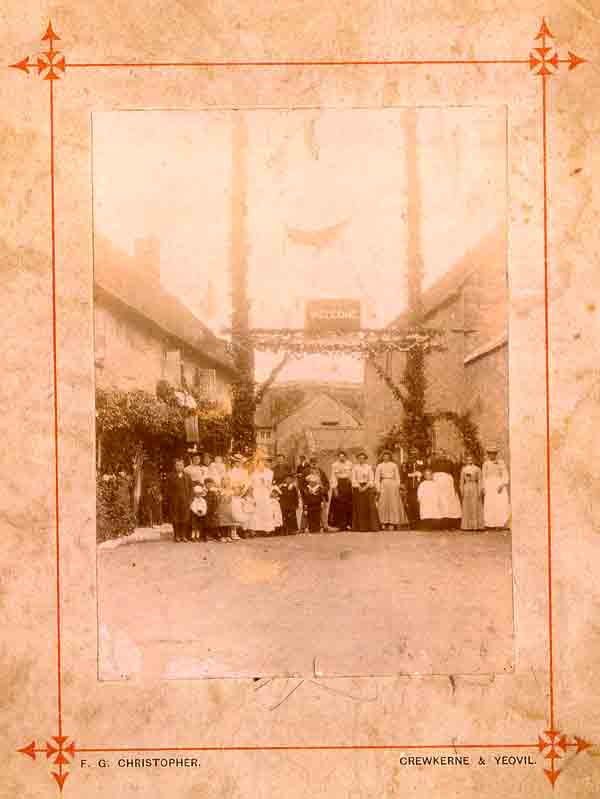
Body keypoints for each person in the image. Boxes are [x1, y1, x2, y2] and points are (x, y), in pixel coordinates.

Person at [375, 450, 408, 530]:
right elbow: (377, 478)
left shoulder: (394, 465)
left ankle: (393, 523)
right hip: (383, 484)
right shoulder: (379, 466)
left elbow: (397, 477)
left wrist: (397, 486)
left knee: (393, 503)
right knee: (383, 503)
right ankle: (383, 522)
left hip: (392, 485)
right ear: (382, 457)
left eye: (387, 456)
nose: (386, 458)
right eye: (384, 456)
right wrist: (378, 488)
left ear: (390, 457)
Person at [247, 454, 276, 536]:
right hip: (256, 492)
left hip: (265, 492)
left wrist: (265, 481)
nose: (261, 464)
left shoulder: (269, 472)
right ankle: (255, 529)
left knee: (266, 510)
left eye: (263, 463)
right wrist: (251, 493)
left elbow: (269, 484)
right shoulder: (253, 473)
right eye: (259, 463)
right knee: (256, 510)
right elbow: (250, 483)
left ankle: (266, 529)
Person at [482, 446, 510, 529]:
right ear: (488, 455)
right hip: (489, 485)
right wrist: (483, 487)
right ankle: (490, 524)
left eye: (493, 454)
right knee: (490, 503)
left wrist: (502, 484)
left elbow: (505, 474)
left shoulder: (501, 462)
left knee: (500, 503)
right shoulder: (485, 463)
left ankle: (500, 524)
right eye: (490, 454)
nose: (492, 455)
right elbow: (484, 476)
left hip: (498, 484)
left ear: (496, 454)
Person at [351, 452, 380, 532]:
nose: (361, 460)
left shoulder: (369, 467)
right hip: (358, 488)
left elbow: (371, 479)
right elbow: (353, 479)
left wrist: (366, 487)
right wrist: (359, 486)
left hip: (367, 488)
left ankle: (372, 527)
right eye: (359, 458)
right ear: (357, 459)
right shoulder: (355, 468)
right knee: (360, 507)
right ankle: (361, 527)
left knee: (370, 507)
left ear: (365, 459)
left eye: (363, 458)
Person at [166, 458, 193, 542]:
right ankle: (176, 535)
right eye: (177, 465)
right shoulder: (171, 476)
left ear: (183, 466)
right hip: (175, 500)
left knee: (185, 518)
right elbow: (167, 489)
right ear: (175, 466)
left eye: (181, 465)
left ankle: (183, 535)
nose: (179, 467)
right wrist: (169, 499)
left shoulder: (187, 476)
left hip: (185, 500)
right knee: (175, 518)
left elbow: (191, 488)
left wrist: (190, 499)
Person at [329, 451, 354, 531]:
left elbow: (352, 475)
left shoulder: (350, 464)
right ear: (338, 457)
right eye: (340, 456)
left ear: (345, 457)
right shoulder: (334, 465)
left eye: (343, 456)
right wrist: (335, 488)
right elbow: (333, 477)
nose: (341, 458)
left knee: (348, 505)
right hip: (339, 485)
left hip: (347, 485)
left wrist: (352, 486)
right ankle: (340, 525)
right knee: (339, 505)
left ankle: (349, 524)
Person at [459, 454, 484, 531]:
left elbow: (480, 480)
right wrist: (461, 490)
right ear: (466, 460)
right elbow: (461, 481)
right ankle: (467, 526)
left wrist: (480, 490)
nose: (470, 461)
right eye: (468, 459)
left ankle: (476, 526)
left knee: (475, 505)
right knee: (467, 505)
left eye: (471, 459)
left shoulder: (477, 469)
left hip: (474, 487)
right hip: (466, 487)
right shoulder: (463, 469)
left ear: (473, 460)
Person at [402, 449, 424, 527]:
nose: (414, 455)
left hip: (419, 486)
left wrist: (420, 474)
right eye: (412, 454)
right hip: (410, 487)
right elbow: (404, 474)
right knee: (410, 504)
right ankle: (412, 523)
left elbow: (424, 471)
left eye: (415, 454)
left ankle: (420, 522)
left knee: (419, 504)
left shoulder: (422, 462)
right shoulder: (407, 463)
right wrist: (410, 475)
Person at [309, 456, 331, 531]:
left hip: (321, 494)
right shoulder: (306, 472)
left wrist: (324, 490)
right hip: (310, 495)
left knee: (323, 510)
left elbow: (327, 483)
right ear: (310, 464)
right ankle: (310, 527)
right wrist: (307, 491)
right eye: (312, 463)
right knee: (310, 511)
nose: (314, 465)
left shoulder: (321, 472)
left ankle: (325, 526)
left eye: (315, 463)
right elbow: (302, 484)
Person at [217, 475, 241, 541]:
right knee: (222, 521)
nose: (225, 482)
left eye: (227, 481)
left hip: (229, 507)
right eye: (223, 480)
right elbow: (218, 499)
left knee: (229, 521)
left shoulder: (230, 490)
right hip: (221, 506)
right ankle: (222, 536)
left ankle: (228, 535)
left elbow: (232, 498)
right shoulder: (219, 489)